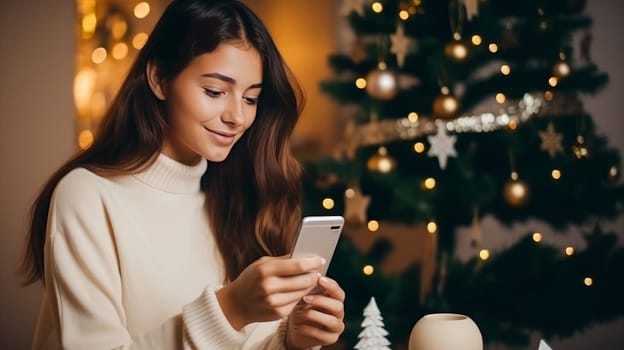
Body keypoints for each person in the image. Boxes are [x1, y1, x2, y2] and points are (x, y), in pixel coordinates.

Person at [21, 0, 345, 349]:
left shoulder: (244, 194)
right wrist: (230, 309)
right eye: (215, 92)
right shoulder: (87, 195)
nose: (237, 116)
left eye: (251, 98)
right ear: (159, 79)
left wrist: (291, 340)